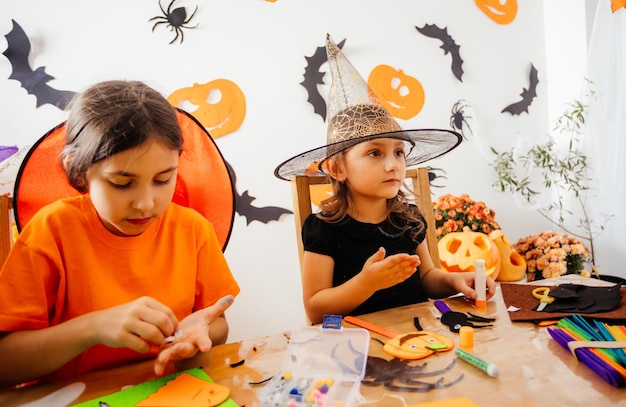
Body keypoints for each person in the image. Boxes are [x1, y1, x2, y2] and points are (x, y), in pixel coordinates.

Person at [0, 80, 240, 388]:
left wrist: (199, 333)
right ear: (79, 169)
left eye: (163, 179)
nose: (145, 204)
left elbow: (216, 322)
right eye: (122, 184)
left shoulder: (192, 229)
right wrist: (93, 328)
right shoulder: (51, 231)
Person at [274, 35, 496, 324]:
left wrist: (454, 281)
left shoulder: (409, 220)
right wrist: (366, 283)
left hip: (420, 337)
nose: (393, 164)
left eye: (399, 152)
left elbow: (427, 278)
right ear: (337, 169)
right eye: (375, 153)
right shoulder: (323, 229)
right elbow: (315, 309)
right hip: (358, 349)